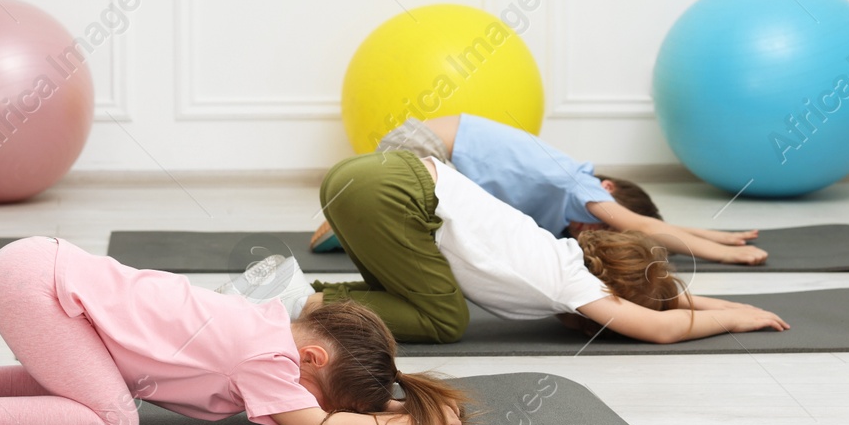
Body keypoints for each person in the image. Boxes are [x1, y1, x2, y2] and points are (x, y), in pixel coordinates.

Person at [0, 235, 472, 425]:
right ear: (312, 363)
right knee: (114, 423)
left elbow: (324, 413)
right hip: (36, 283)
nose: (298, 407)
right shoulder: (268, 360)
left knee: (93, 386)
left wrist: (398, 405)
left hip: (37, 266)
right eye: (311, 394)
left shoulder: (267, 328)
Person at [307, 150, 789, 345]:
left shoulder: (561, 252)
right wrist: (731, 318)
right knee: (444, 320)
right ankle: (298, 302)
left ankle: (301, 295)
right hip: (393, 193)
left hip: (373, 177)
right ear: (613, 295)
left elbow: (657, 301)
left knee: (411, 299)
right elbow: (659, 328)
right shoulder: (572, 282)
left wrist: (718, 301)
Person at [312, 114, 765, 265]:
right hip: (420, 148)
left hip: (428, 166)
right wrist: (724, 250)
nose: (592, 228)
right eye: (600, 217)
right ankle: (345, 216)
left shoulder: (560, 218)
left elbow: (643, 228)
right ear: (607, 190)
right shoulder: (580, 184)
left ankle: (354, 218)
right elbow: (644, 225)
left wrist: (718, 235)